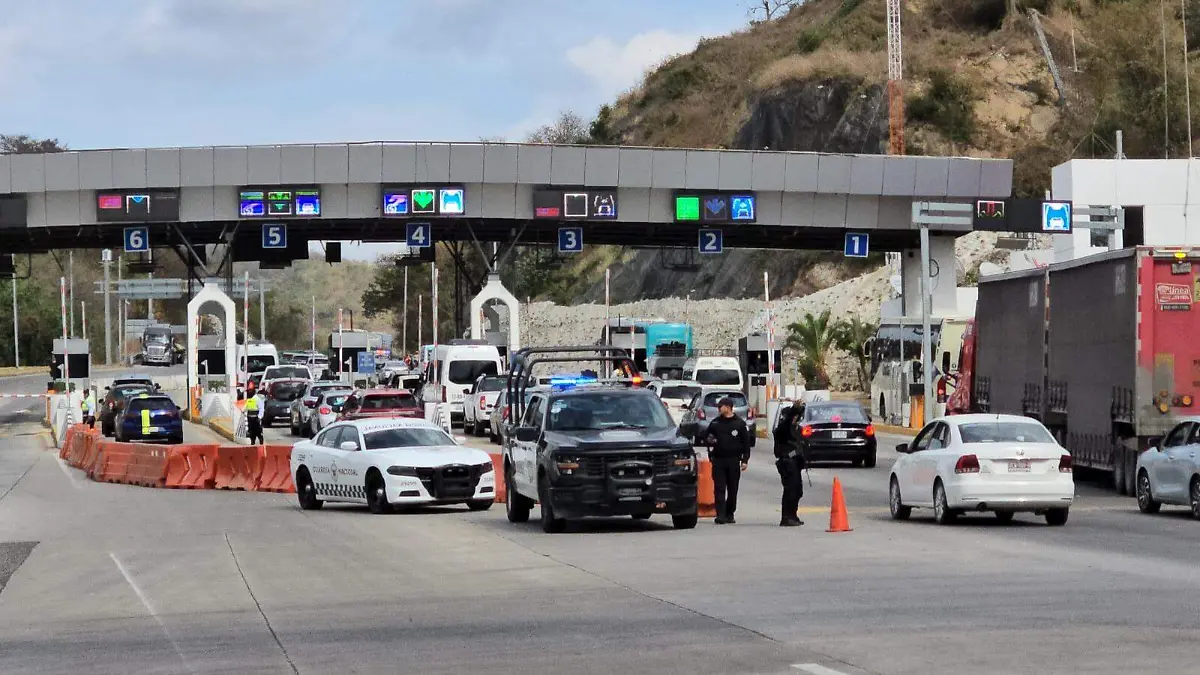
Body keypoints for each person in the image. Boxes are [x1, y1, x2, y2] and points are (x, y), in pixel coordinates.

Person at [704, 398, 751, 524]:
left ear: (729, 407)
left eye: (721, 406)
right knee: (719, 488)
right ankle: (721, 514)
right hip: (718, 459)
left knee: (732, 488)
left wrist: (745, 460)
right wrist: (710, 440)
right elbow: (706, 437)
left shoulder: (739, 424)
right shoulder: (715, 423)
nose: (719, 408)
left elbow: (746, 443)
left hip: (733, 460)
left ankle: (730, 513)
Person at [773, 400, 806, 527]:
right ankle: (786, 517)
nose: (796, 420)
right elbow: (788, 421)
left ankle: (793, 515)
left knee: (798, 491)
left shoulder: (794, 429)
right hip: (787, 463)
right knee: (790, 490)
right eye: (795, 418)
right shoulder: (782, 430)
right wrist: (794, 409)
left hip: (795, 464)